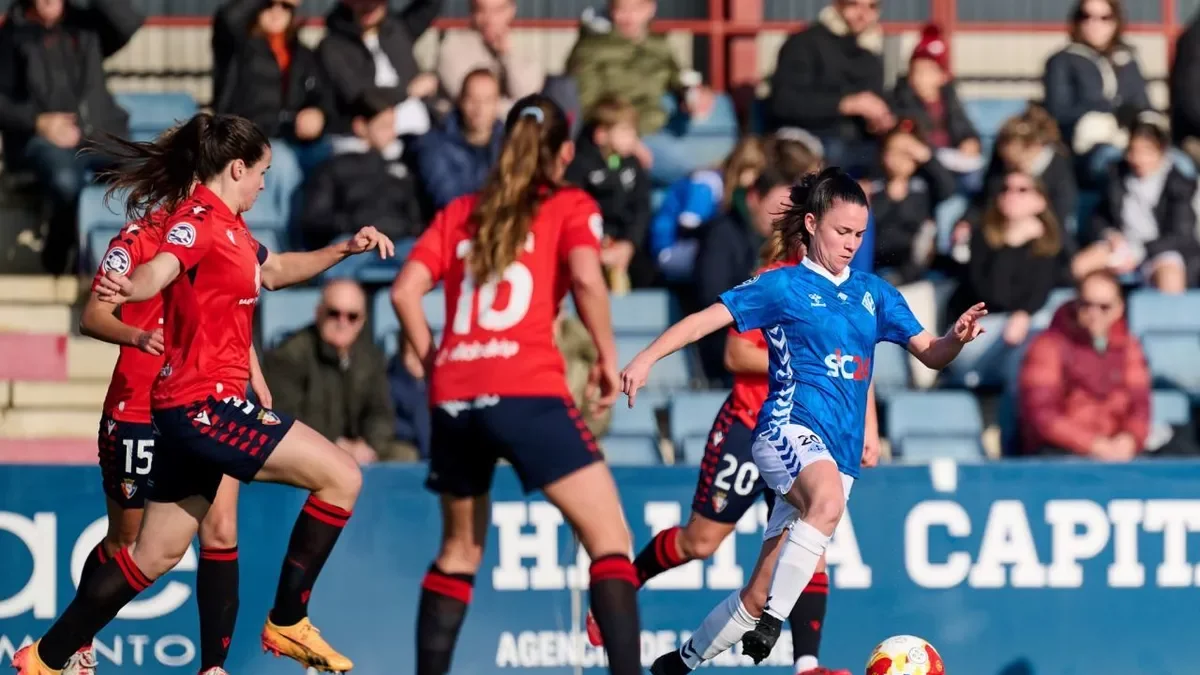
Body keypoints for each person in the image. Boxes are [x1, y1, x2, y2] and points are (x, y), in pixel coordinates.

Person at [11, 113, 395, 675]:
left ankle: (45, 658)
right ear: (236, 168)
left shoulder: (234, 229)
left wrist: (344, 250)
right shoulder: (198, 222)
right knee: (342, 476)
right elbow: (160, 269)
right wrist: (132, 289)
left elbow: (278, 270)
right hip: (201, 406)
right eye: (261, 172)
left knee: (155, 553)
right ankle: (287, 620)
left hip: (187, 410)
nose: (266, 184)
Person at [619, 167, 987, 674]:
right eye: (842, 231)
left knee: (758, 589)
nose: (852, 243)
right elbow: (708, 319)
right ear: (811, 224)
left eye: (860, 234)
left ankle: (678, 663)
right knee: (826, 502)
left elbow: (930, 353)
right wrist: (645, 358)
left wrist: (956, 339)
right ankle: (775, 623)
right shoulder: (783, 286)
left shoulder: (874, 294)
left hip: (837, 451)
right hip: (783, 431)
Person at [390, 94, 642, 675]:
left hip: (454, 395)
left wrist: (436, 363)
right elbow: (587, 277)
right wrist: (607, 357)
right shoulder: (570, 203)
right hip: (525, 389)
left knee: (459, 552)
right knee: (609, 539)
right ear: (566, 152)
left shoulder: (460, 210)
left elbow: (405, 291)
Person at [585, 244, 877, 675]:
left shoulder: (850, 292)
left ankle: (807, 665)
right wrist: (806, 361)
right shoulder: (776, 281)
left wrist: (868, 425)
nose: (846, 247)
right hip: (751, 426)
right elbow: (736, 353)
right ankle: (626, 585)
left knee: (809, 545)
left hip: (811, 438)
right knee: (699, 542)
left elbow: (855, 364)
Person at [69, 208, 272, 675]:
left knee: (221, 528)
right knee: (127, 541)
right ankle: (73, 643)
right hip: (139, 408)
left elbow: (232, 311)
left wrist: (253, 372)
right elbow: (94, 316)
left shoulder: (225, 233)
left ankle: (214, 667)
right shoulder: (139, 239)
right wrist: (139, 336)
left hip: (207, 403)